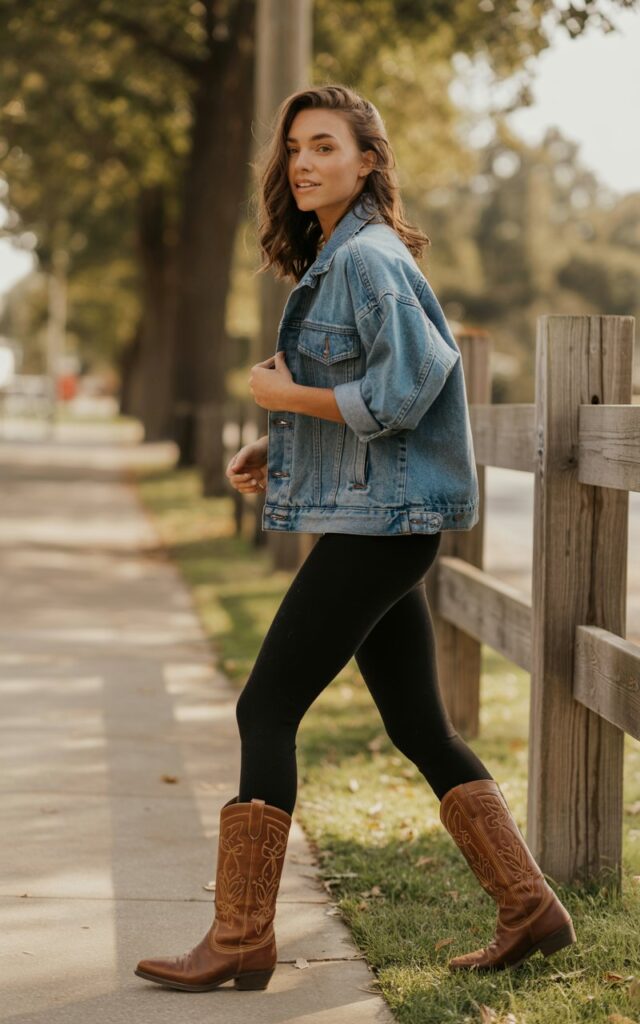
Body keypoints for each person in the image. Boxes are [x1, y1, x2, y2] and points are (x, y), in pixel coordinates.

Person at [134, 84, 576, 994]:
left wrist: (284, 398)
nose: (303, 163)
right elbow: (369, 393)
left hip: (384, 527)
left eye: (326, 147)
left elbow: (408, 389)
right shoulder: (342, 255)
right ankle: (530, 908)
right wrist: (284, 439)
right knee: (419, 722)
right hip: (378, 517)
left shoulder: (367, 259)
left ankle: (240, 938)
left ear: (368, 161)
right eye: (295, 147)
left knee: (266, 707)